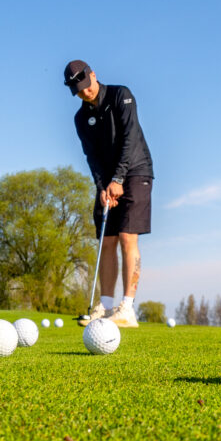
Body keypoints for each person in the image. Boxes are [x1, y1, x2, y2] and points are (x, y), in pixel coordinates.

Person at [64, 60, 154, 328]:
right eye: (77, 90)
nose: (84, 92)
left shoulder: (120, 95)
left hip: (137, 170)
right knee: (106, 240)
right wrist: (102, 186)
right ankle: (103, 306)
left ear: (93, 75)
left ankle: (126, 308)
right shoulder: (81, 118)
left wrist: (118, 178)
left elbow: (129, 136)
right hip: (107, 182)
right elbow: (91, 156)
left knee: (127, 237)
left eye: (85, 85)